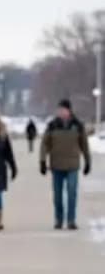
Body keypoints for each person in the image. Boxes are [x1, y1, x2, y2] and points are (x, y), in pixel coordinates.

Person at [40, 98, 91, 230]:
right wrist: (42, 160)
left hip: (72, 165)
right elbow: (45, 144)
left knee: (72, 192)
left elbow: (84, 145)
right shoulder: (52, 125)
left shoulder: (77, 125)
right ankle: (59, 219)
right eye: (59, 110)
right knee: (57, 195)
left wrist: (87, 161)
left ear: (69, 110)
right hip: (56, 165)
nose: (61, 112)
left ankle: (71, 220)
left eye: (63, 109)